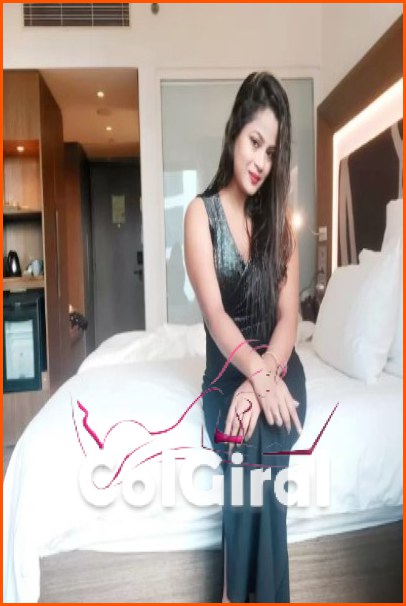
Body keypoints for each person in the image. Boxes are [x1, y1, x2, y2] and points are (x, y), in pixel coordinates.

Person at [184, 72, 307, 603]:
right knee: (246, 439)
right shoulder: (201, 214)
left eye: (271, 152)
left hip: (280, 364)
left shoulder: (280, 222)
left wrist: (266, 377)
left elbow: (289, 319)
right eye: (255, 142)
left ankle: (237, 595)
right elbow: (214, 314)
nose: (260, 161)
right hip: (226, 371)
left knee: (265, 434)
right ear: (235, 131)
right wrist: (252, 377)